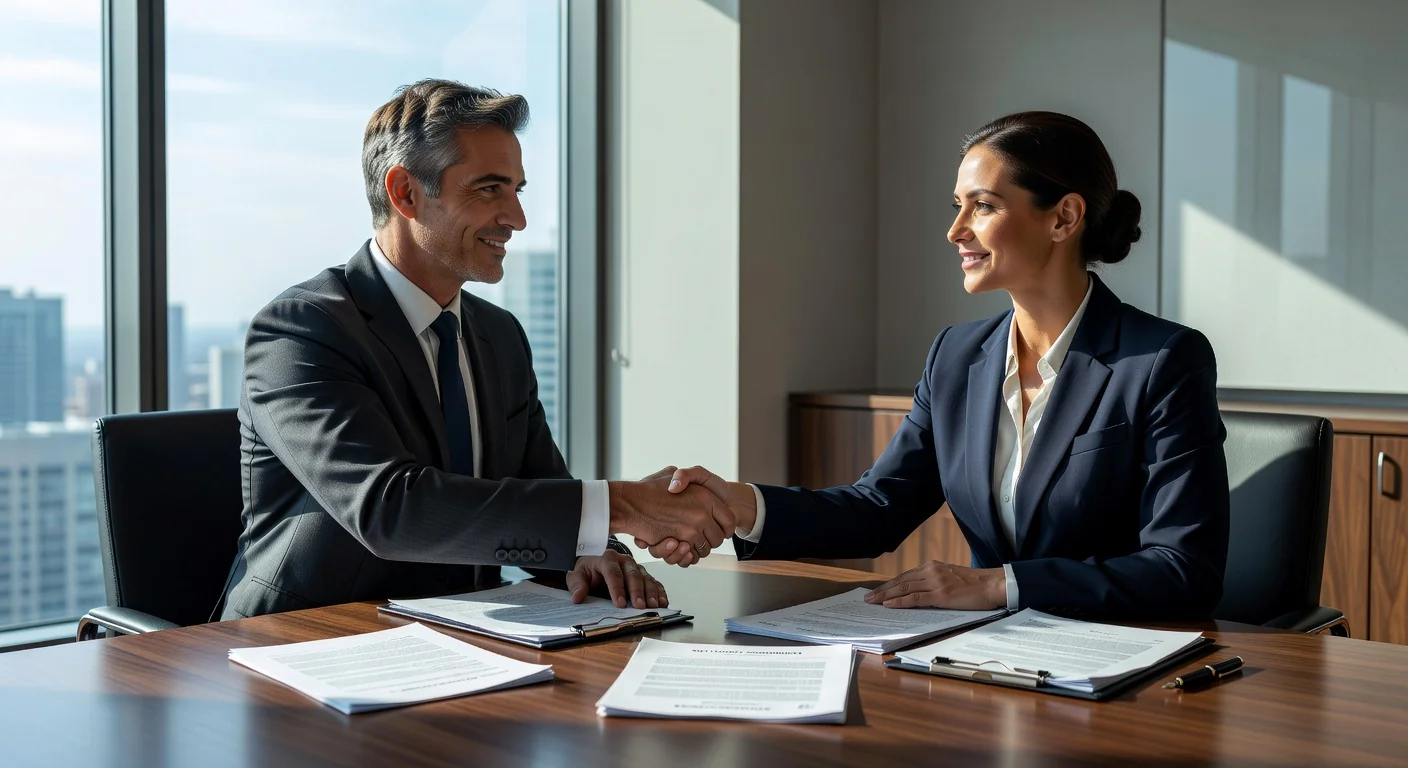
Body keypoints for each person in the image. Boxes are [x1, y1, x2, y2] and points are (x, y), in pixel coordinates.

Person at [650, 111, 1230, 620]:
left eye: (984, 206)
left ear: (1063, 218)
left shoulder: (1161, 360)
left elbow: (1183, 569)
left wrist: (996, 585)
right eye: (958, 207)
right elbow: (878, 508)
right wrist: (740, 505)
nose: (956, 231)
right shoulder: (956, 357)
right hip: (985, 657)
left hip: (1118, 665)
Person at [219, 80, 731, 620]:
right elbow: (389, 509)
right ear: (405, 192)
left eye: (517, 190)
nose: (516, 218)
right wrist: (622, 505)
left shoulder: (500, 335)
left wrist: (592, 552)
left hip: (466, 630)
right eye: (489, 189)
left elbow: (541, 489)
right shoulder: (302, 329)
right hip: (307, 637)